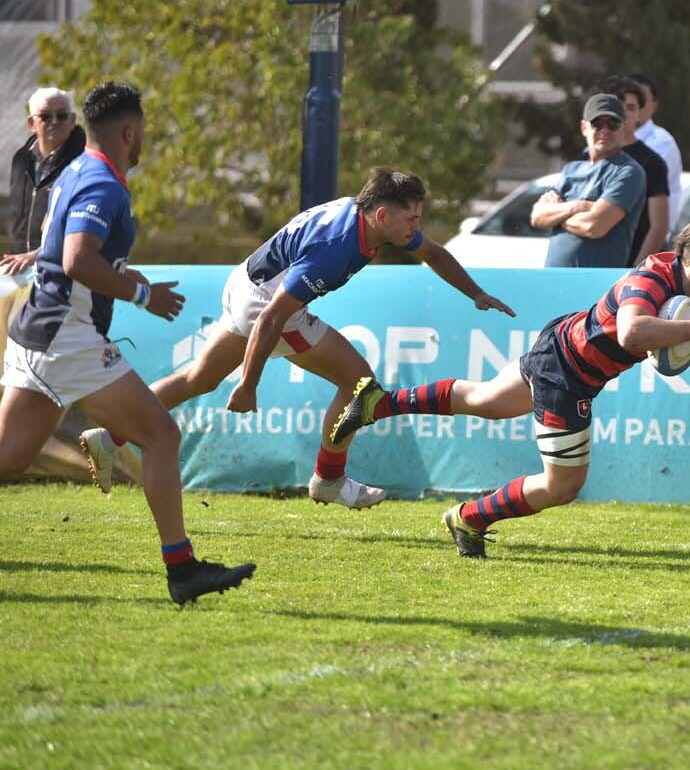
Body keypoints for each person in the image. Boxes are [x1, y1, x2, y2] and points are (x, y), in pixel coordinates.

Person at [330, 211, 690, 558]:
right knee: (563, 486)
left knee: (483, 399)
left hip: (563, 347)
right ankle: (469, 518)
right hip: (567, 374)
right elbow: (632, 333)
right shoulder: (649, 279)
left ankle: (377, 403)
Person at [79, 168, 516, 509]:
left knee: (198, 379)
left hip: (245, 281)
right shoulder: (339, 246)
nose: (415, 227)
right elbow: (272, 318)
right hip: (265, 305)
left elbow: (433, 253)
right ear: (382, 215)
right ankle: (328, 479)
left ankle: (112, 435)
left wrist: (476, 293)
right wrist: (248, 385)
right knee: (359, 384)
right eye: (412, 219)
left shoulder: (366, 214)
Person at [0, 81, 255, 604]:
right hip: (65, 339)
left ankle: (183, 569)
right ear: (129, 131)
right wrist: (141, 294)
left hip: (38, 328)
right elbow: (75, 259)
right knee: (161, 435)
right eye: (142, 135)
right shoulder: (104, 184)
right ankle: (182, 569)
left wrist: (129, 276)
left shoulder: (76, 170)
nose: (143, 144)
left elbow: (69, 256)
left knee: (10, 457)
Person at [531, 93, 645, 268]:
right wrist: (578, 206)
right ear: (584, 128)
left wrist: (557, 217)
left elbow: (594, 226)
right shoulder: (571, 170)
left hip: (596, 284)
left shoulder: (629, 172)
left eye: (612, 124)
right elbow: (537, 217)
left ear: (623, 129)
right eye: (597, 123)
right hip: (552, 279)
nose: (605, 130)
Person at [4, 87, 86, 275]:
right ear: (31, 122)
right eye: (46, 116)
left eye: (62, 116)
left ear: (73, 121)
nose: (55, 121)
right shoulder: (20, 160)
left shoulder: (84, 164)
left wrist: (38, 255)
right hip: (19, 273)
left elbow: (83, 230)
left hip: (61, 274)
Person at [598, 76, 671, 266]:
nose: (624, 114)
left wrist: (636, 271)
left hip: (630, 267)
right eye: (618, 107)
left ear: (639, 113)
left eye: (631, 108)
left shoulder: (652, 162)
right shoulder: (586, 158)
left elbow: (659, 226)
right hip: (590, 266)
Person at [628, 73, 684, 233]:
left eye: (641, 99)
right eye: (629, 101)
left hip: (649, 238)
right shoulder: (605, 140)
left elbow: (631, 185)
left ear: (654, 105)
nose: (636, 106)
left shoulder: (662, 142)